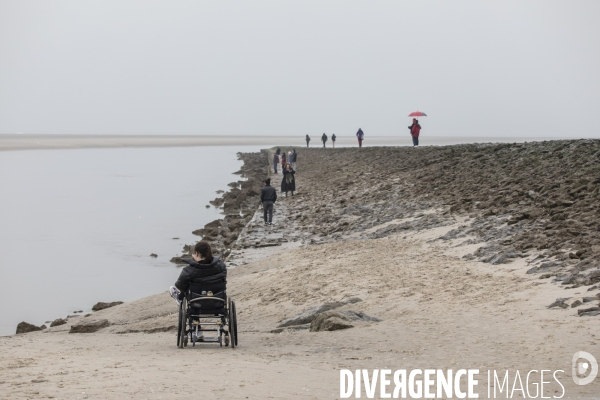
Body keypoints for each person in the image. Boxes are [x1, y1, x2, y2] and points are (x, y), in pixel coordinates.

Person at [169, 241, 226, 305]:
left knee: (186, 284)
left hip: (196, 304)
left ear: (196, 253)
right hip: (217, 302)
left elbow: (179, 285)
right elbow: (224, 279)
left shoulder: (189, 270)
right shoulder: (220, 266)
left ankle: (179, 298)